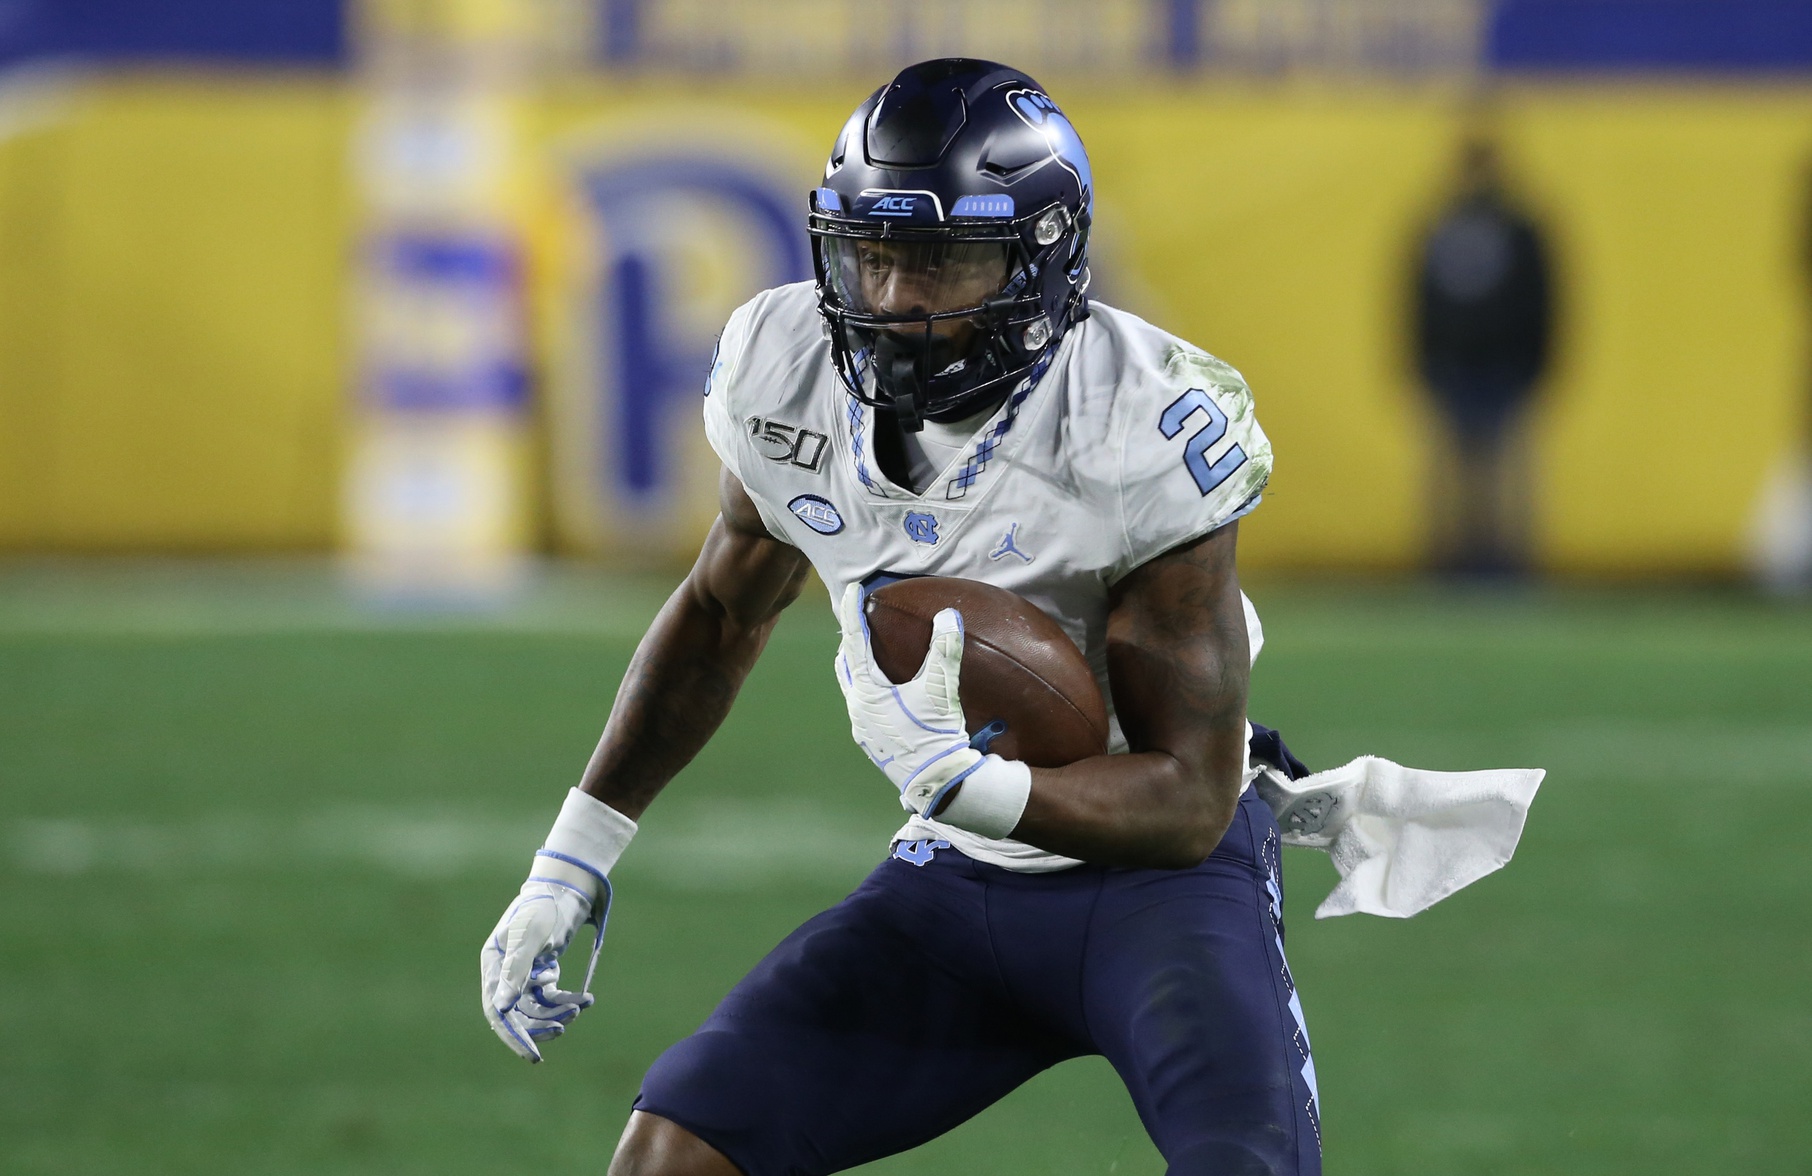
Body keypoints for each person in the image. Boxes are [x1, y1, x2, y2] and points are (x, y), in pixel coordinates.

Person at [481, 59, 1318, 1176]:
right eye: (871, 254)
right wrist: (572, 857)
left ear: (1045, 255)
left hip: (1161, 892)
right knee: (672, 1155)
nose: (891, 297)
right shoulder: (785, 370)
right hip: (956, 879)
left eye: (938, 261)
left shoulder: (1143, 418)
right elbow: (722, 612)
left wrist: (978, 785)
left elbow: (1192, 799)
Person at [1413, 133, 1554, 577]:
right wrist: (1424, 360)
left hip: (1504, 365)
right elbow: (1419, 300)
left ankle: (1508, 562)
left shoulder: (1519, 228)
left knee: (1505, 471)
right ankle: (1450, 561)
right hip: (1453, 364)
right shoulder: (1441, 225)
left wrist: (1536, 363)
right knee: (1452, 472)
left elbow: (1541, 298)